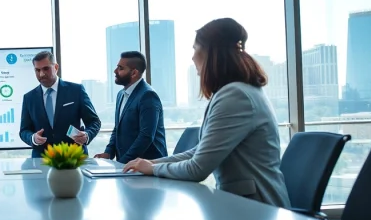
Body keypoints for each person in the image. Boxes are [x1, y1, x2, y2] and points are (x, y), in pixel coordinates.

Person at [124, 18, 291, 208]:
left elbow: (197, 168)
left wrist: (153, 169)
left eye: (195, 49)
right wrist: (152, 163)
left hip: (258, 208)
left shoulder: (236, 96)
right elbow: (200, 151)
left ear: (211, 54)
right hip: (245, 205)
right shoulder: (238, 91)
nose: (192, 57)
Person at [19, 51, 101, 157]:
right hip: (41, 158)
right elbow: (24, 130)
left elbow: (94, 122)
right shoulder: (29, 98)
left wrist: (87, 135)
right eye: (37, 70)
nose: (41, 74)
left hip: (73, 157)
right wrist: (33, 138)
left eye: (46, 69)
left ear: (56, 67)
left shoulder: (76, 91)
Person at [95, 51, 167, 164]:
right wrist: (108, 153)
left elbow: (146, 136)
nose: (115, 71)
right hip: (128, 165)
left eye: (120, 68)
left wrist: (122, 163)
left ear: (134, 73)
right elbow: (118, 128)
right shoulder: (121, 95)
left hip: (148, 166)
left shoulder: (148, 96)